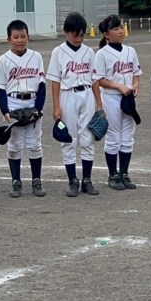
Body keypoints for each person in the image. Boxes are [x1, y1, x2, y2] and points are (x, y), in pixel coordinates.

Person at [47, 12, 103, 197]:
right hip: (67, 94)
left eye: (81, 35)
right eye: (75, 35)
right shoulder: (58, 52)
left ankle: (87, 180)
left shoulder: (89, 52)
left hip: (86, 94)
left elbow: (94, 79)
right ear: (66, 32)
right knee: (68, 139)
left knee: (88, 137)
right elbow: (55, 81)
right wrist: (56, 106)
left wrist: (99, 104)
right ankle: (72, 180)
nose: (79, 38)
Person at [0, 19, 47, 198]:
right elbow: (0, 88)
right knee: (14, 144)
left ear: (28, 37)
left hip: (32, 101)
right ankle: (16, 181)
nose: (20, 40)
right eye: (15, 37)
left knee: (34, 144)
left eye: (23, 36)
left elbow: (41, 85)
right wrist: (5, 110)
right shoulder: (3, 60)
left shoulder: (36, 57)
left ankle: (36, 180)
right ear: (9, 39)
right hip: (13, 102)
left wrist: (38, 109)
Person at [93, 14, 142, 190]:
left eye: (121, 27)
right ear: (106, 34)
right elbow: (99, 80)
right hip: (111, 97)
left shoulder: (131, 51)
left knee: (127, 137)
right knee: (113, 137)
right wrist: (118, 86)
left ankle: (124, 173)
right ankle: (113, 174)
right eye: (115, 29)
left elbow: (136, 73)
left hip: (128, 98)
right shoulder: (101, 54)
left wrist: (135, 85)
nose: (121, 31)